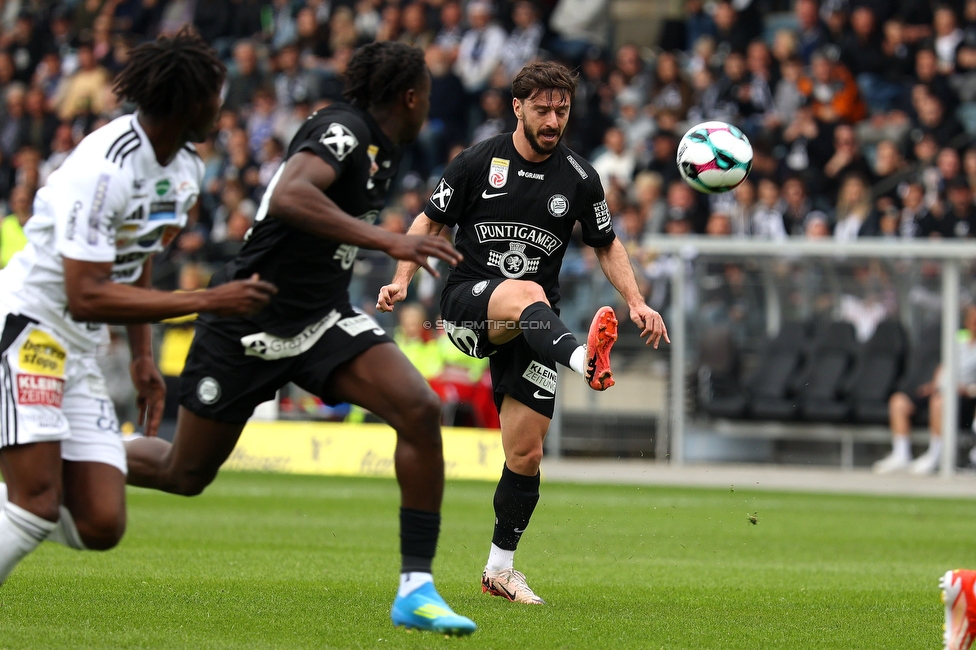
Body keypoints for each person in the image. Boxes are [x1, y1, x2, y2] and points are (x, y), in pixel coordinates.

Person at [123, 41, 477, 636]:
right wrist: (388, 240)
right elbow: (290, 196)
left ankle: (416, 589)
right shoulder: (343, 130)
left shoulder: (381, 148)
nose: (428, 108)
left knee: (419, 408)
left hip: (319, 321)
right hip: (248, 319)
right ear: (412, 97)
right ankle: (72, 451)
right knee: (184, 475)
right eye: (428, 96)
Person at [377, 60, 669, 605]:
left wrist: (636, 301)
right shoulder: (477, 162)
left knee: (526, 453)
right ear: (517, 107)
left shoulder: (580, 178)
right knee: (524, 290)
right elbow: (428, 221)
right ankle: (585, 360)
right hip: (470, 309)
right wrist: (400, 279)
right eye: (542, 109)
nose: (553, 119)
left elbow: (606, 242)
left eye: (562, 109)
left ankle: (499, 569)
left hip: (536, 330)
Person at [0, 27, 277, 587]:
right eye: (215, 98)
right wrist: (207, 299)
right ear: (188, 102)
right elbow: (86, 292)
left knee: (102, 522)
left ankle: (28, 467)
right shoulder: (104, 169)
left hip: (77, 349)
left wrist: (142, 358)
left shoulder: (185, 168)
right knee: (35, 505)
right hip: (30, 329)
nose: (222, 111)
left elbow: (139, 254)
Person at [873, 304, 976, 475]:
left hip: (965, 396)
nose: (973, 323)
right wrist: (935, 384)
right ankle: (901, 454)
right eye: (971, 319)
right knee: (898, 401)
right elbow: (945, 364)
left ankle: (936, 455)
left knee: (939, 402)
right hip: (943, 388)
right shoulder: (960, 338)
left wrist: (967, 389)